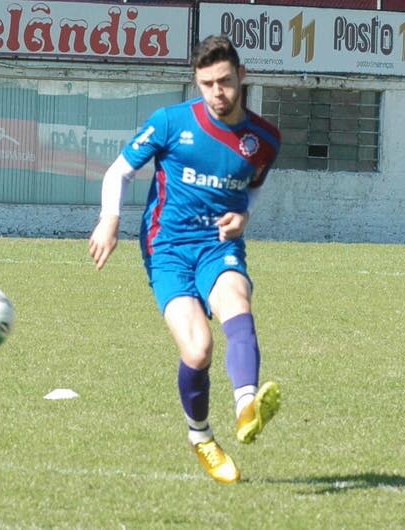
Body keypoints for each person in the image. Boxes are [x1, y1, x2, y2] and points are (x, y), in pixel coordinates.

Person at [88, 35, 281, 484]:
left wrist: (244, 216)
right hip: (168, 248)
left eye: (226, 82)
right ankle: (201, 436)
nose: (218, 93)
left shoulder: (265, 139)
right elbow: (119, 171)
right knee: (198, 350)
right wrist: (109, 221)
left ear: (242, 77)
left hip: (218, 243)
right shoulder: (171, 123)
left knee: (236, 299)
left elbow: (253, 185)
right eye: (208, 83)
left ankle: (246, 405)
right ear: (197, 82)